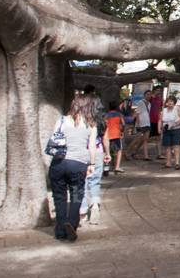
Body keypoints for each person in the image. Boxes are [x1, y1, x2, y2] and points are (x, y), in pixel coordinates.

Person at [48, 94, 98, 242]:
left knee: (59, 197)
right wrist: (92, 164)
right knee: (76, 195)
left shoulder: (62, 120)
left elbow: (54, 138)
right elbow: (92, 148)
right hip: (79, 164)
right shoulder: (91, 124)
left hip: (59, 162)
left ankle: (60, 230)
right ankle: (72, 223)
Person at [79, 94, 108, 225]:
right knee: (95, 182)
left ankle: (83, 212)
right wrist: (108, 153)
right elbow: (105, 138)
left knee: (83, 182)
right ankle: (95, 205)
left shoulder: (82, 119)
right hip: (99, 152)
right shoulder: (102, 121)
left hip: (84, 153)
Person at [128, 90, 153, 160]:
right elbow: (137, 113)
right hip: (141, 124)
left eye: (150, 94)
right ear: (144, 95)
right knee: (136, 139)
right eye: (147, 94)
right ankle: (127, 152)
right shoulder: (141, 102)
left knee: (145, 140)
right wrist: (138, 123)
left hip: (147, 123)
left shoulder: (150, 104)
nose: (149, 96)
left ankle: (145, 156)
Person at [161, 95, 180, 169]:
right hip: (166, 130)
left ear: (174, 102)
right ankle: (168, 162)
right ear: (166, 102)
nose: (170, 102)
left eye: (172, 101)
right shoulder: (163, 110)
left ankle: (177, 163)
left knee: (176, 146)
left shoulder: (177, 108)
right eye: (168, 101)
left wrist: (175, 124)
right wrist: (161, 128)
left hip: (176, 129)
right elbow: (161, 120)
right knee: (167, 146)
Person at [104, 101, 125, 173]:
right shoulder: (119, 115)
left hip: (108, 135)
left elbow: (105, 124)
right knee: (119, 150)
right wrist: (122, 131)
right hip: (116, 134)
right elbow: (123, 124)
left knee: (107, 151)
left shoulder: (106, 115)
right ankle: (117, 167)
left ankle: (106, 166)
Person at [150, 86, 164, 160]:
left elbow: (161, 110)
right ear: (154, 90)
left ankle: (159, 154)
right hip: (150, 120)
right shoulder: (150, 98)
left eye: (159, 90)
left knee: (158, 138)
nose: (158, 92)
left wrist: (161, 119)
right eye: (157, 90)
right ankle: (134, 151)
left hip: (157, 121)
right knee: (144, 138)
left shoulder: (160, 100)